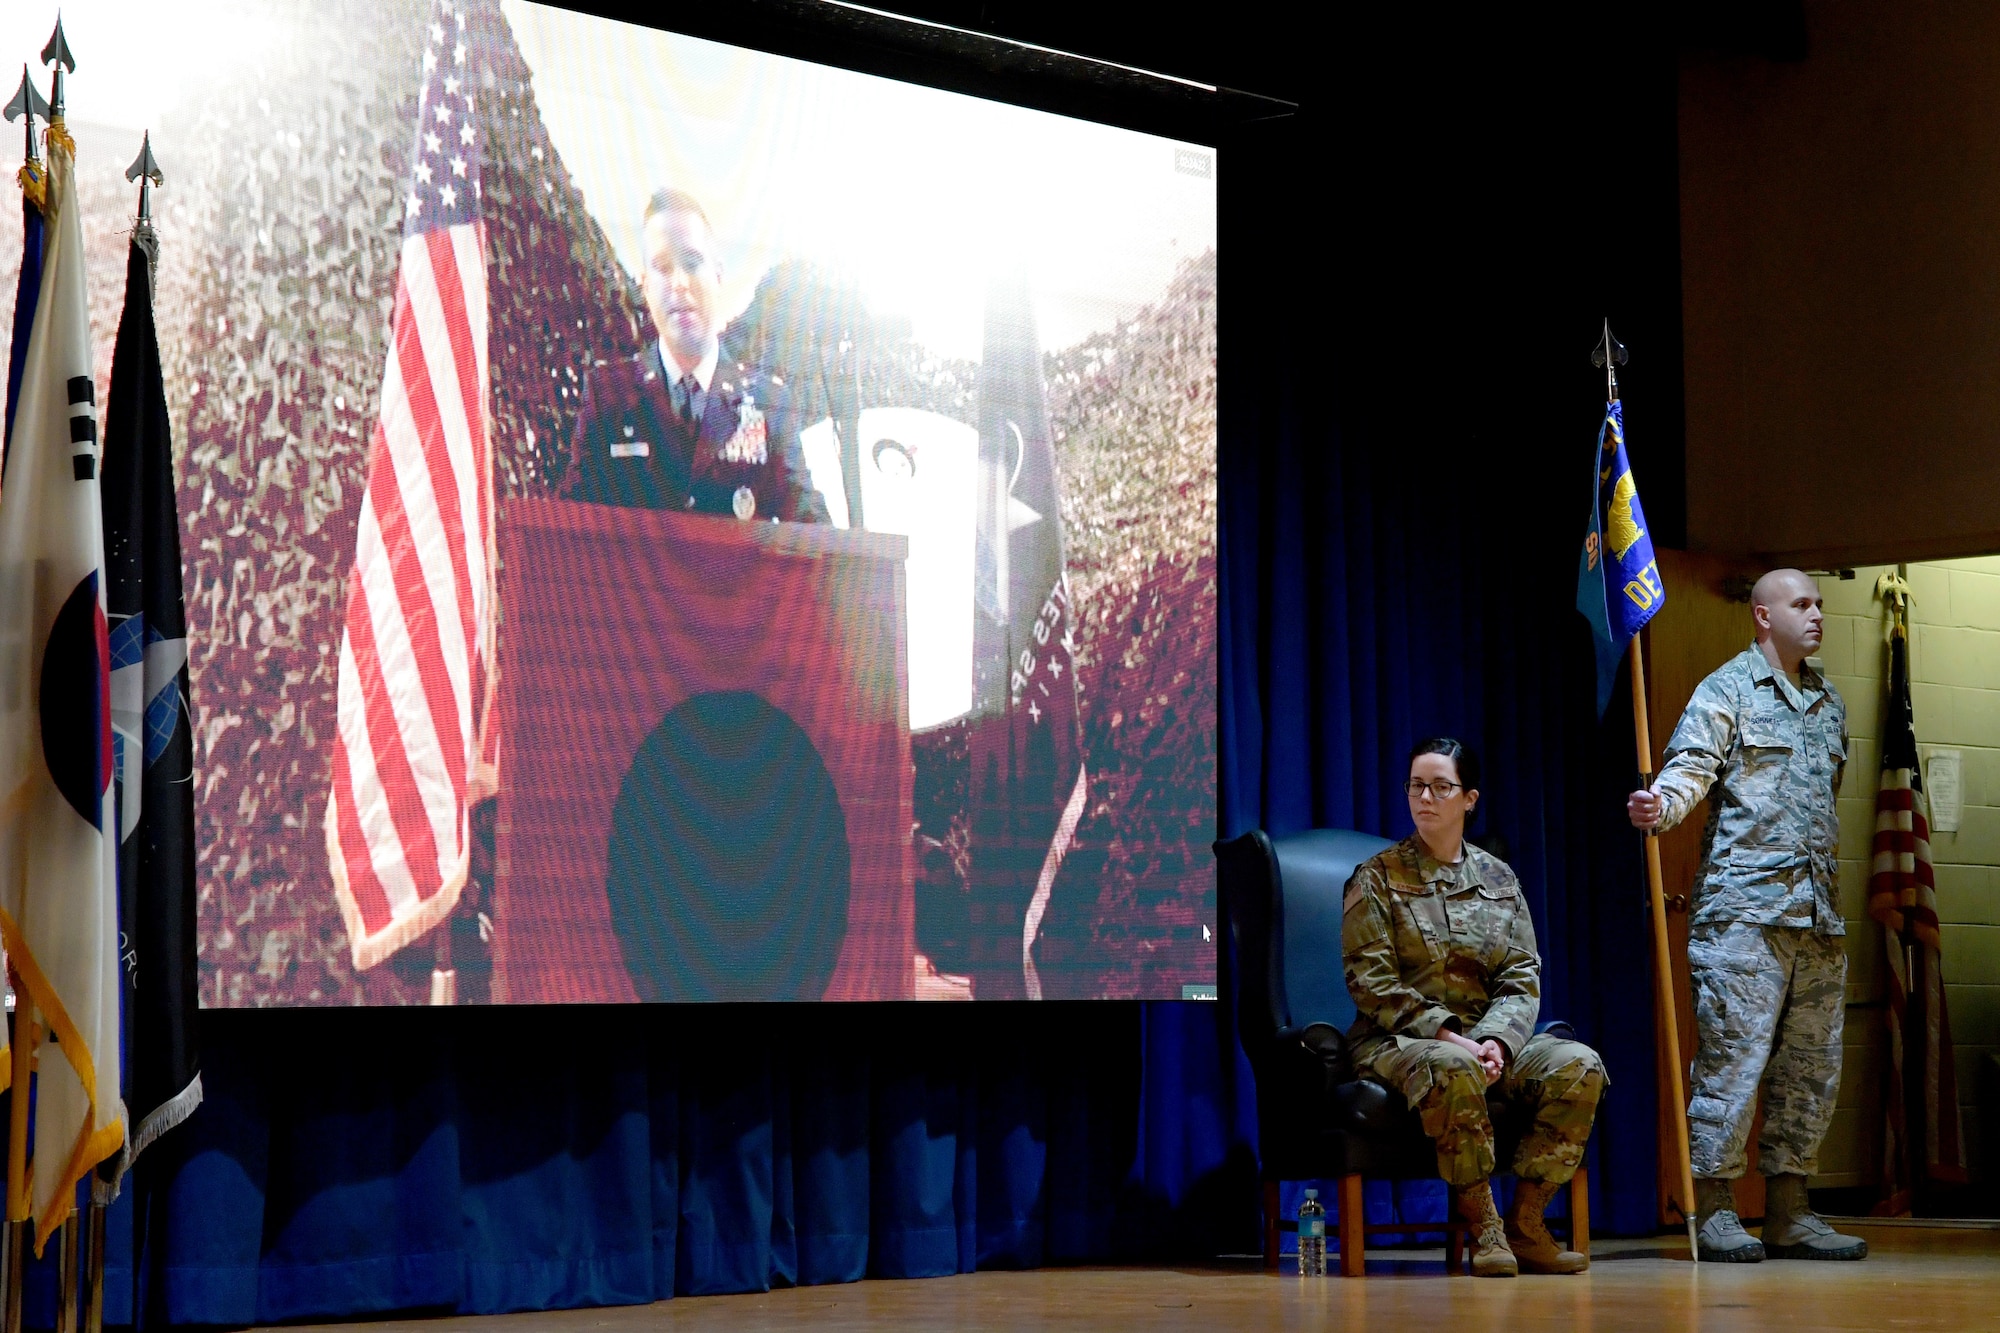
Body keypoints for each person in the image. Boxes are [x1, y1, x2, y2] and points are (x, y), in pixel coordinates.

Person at [1628, 568, 1867, 1262]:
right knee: (1731, 1066)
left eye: (1820, 603)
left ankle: (1790, 1206)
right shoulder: (1727, 687)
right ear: (1763, 615)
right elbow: (1690, 768)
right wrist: (1660, 805)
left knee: (1810, 1070)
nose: (1817, 614)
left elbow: (1825, 801)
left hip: (1818, 917)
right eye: (1802, 604)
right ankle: (1717, 1205)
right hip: (1744, 917)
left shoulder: (1828, 700)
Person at [1343, 739, 1606, 1277]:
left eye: (1441, 786)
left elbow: (1521, 976)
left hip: (1488, 1042)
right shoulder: (1375, 878)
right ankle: (1484, 1228)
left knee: (1579, 1065)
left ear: (1469, 799)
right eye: (1417, 785)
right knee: (1454, 1066)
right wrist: (1453, 1039)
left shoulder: (1500, 879)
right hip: (1399, 1042)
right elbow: (1371, 982)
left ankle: (1526, 1224)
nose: (1426, 797)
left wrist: (1498, 1042)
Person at [565, 186, 829, 523]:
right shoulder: (610, 396)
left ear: (718, 276)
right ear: (645, 286)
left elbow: (813, 529)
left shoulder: (767, 402)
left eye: (691, 263)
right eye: (662, 267)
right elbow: (569, 529)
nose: (679, 283)